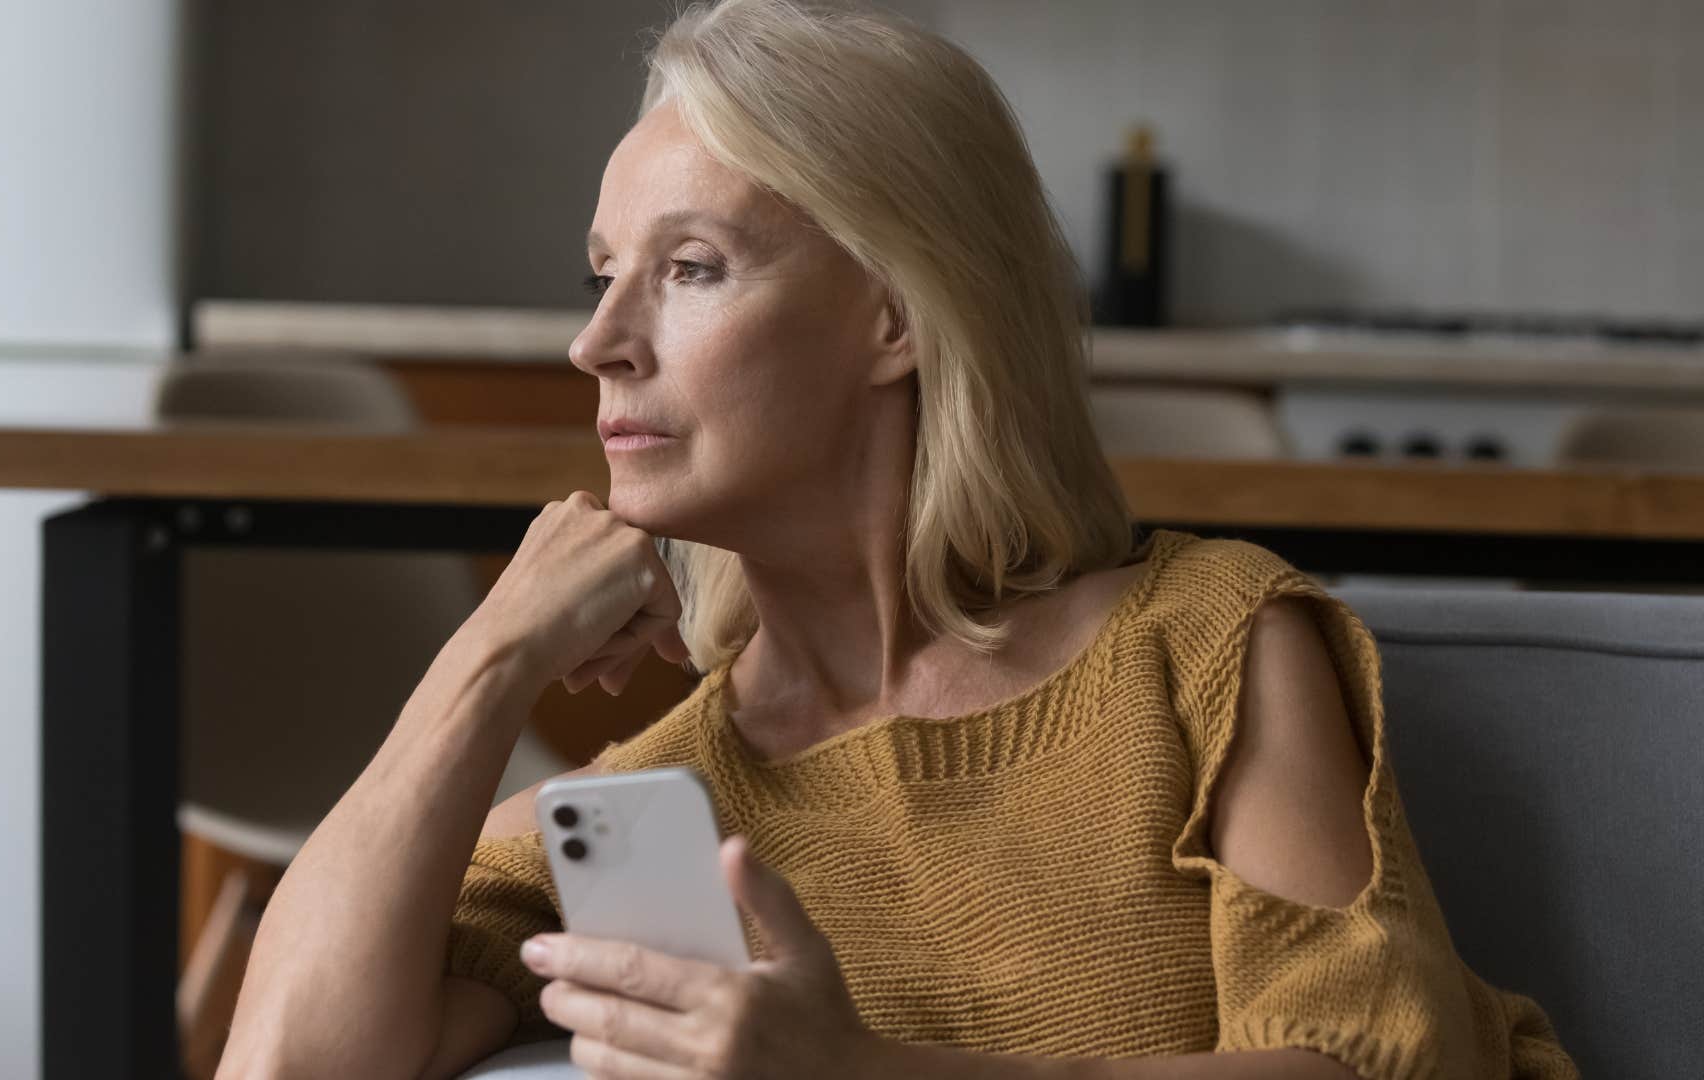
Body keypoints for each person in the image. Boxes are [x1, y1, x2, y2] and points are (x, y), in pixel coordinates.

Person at [218, 2, 1578, 1077]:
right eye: (601, 274)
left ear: (897, 316)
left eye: (689, 269)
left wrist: (867, 1076)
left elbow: (1373, 1069)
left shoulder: (1209, 648)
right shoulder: (660, 813)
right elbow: (290, 1065)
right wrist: (492, 652)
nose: (598, 343)